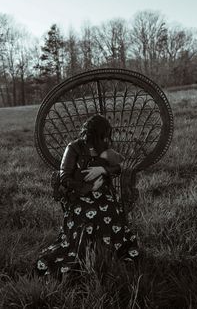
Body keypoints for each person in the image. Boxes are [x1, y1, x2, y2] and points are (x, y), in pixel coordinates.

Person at [35, 114, 140, 277]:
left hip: (103, 193)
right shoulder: (74, 148)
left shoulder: (104, 148)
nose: (106, 140)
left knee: (110, 210)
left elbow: (118, 168)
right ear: (93, 134)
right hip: (79, 194)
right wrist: (88, 187)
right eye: (103, 135)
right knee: (87, 214)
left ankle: (107, 250)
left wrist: (103, 170)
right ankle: (83, 253)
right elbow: (64, 178)